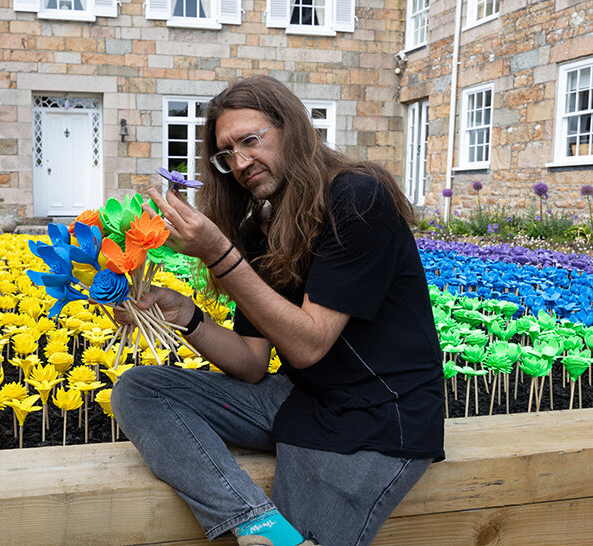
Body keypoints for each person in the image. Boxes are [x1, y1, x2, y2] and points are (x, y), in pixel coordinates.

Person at [111, 75, 444, 546]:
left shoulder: (357, 197)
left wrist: (219, 255)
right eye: (227, 154)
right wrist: (184, 315)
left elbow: (308, 344)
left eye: (250, 140)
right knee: (141, 389)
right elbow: (250, 363)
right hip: (302, 399)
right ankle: (254, 524)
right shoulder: (260, 227)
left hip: (375, 417)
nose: (241, 163)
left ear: (292, 127)